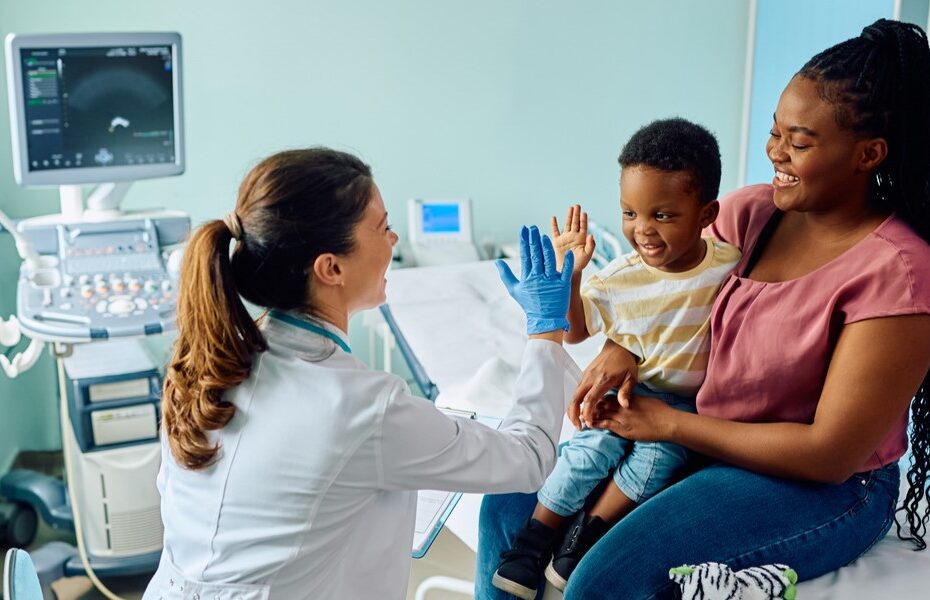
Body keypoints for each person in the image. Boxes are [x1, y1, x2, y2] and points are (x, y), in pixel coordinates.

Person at [476, 18, 930, 600]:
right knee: (509, 500)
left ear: (869, 153)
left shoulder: (899, 275)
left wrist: (667, 424)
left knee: (604, 579)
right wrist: (622, 348)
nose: (776, 154)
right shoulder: (751, 214)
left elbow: (828, 455)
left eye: (800, 141)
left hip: (816, 484)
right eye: (774, 133)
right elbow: (664, 285)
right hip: (696, 436)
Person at [142, 148, 580, 600]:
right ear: (331, 268)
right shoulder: (359, 405)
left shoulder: (205, 363)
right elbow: (528, 459)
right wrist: (546, 328)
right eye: (383, 227)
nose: (393, 240)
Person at [491, 119, 741, 599]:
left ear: (707, 212)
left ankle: (586, 537)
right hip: (631, 390)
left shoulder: (729, 266)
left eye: (663, 215)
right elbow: (577, 329)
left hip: (682, 407)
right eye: (629, 213)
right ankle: (534, 539)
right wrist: (572, 280)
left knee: (655, 462)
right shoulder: (623, 276)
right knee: (590, 450)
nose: (641, 230)